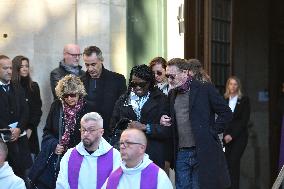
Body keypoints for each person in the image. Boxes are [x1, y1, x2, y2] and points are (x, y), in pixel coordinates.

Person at [160, 58, 233, 189]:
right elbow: (168, 116)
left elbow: (226, 112)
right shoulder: (171, 94)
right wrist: (163, 119)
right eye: (167, 76)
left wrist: (212, 131)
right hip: (181, 152)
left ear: (185, 73)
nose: (169, 80)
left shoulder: (204, 89)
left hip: (201, 151)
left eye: (172, 76)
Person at [29, 75, 92, 189]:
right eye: (65, 95)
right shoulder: (57, 106)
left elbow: (92, 136)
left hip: (79, 159)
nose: (69, 98)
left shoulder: (87, 109)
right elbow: (47, 131)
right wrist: (54, 145)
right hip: (57, 159)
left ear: (79, 93)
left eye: (72, 94)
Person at [110, 64, 171, 168]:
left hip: (152, 154)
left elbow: (167, 130)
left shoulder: (161, 99)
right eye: (134, 84)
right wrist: (125, 128)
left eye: (142, 84)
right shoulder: (123, 99)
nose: (137, 87)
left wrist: (145, 127)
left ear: (150, 83)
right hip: (128, 155)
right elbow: (113, 126)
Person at [56, 112, 121, 189]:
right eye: (83, 130)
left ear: (101, 132)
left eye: (91, 130)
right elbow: (61, 185)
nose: (86, 134)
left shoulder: (115, 156)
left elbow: (117, 185)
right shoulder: (69, 155)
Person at [102, 128, 173, 189]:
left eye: (128, 143)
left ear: (142, 148)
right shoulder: (114, 176)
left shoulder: (158, 176)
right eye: (121, 143)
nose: (122, 147)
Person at [82, 46, 127, 138]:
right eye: (87, 65)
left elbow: (123, 109)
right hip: (87, 135)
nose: (90, 69)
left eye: (93, 64)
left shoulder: (117, 80)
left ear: (101, 60)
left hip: (110, 134)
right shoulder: (80, 81)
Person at [0, 55, 32, 181]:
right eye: (5, 68)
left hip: (20, 139)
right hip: (2, 142)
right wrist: (8, 130)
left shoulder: (17, 86)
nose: (9, 71)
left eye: (11, 68)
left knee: (23, 175)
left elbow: (25, 110)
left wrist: (19, 128)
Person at [12, 55, 42, 157]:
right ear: (16, 68)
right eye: (21, 66)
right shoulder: (11, 87)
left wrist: (30, 128)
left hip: (30, 130)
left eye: (27, 66)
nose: (25, 69)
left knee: (31, 163)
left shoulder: (33, 86)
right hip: (14, 131)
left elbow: (37, 110)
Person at [223, 76, 250, 189]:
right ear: (228, 86)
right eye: (230, 84)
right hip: (225, 138)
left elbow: (244, 120)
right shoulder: (223, 99)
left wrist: (232, 135)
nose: (233, 86)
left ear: (238, 86)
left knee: (234, 162)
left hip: (239, 137)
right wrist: (224, 135)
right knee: (226, 164)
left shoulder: (244, 100)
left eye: (235, 84)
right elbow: (221, 118)